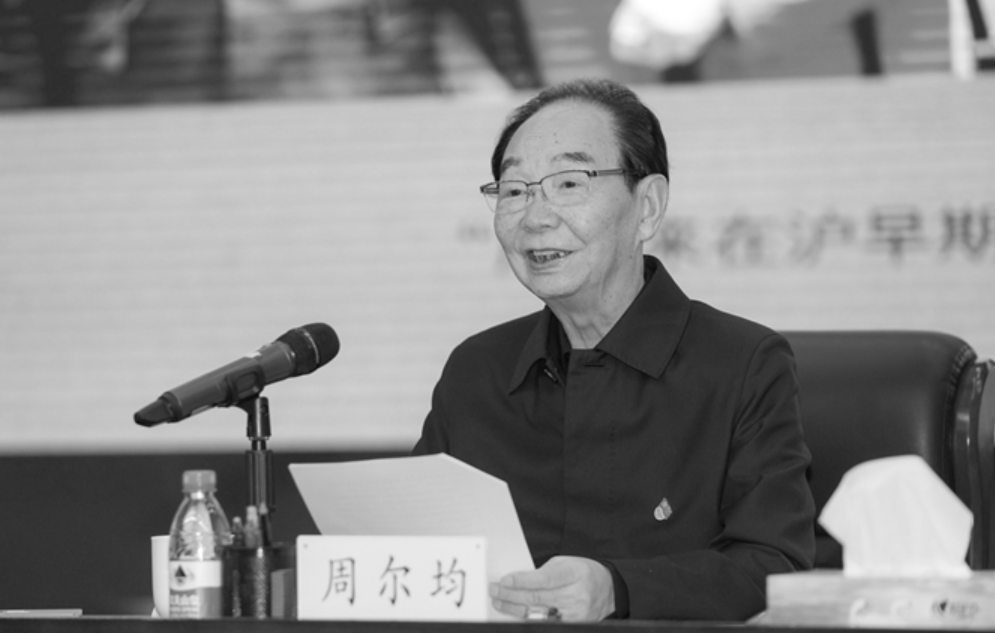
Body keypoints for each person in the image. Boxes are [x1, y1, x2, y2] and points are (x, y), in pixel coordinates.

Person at [412, 78, 815, 622]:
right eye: (514, 190)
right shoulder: (477, 371)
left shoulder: (743, 365)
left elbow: (774, 566)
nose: (536, 217)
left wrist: (618, 591)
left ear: (647, 207)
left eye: (569, 183)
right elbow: (413, 549)